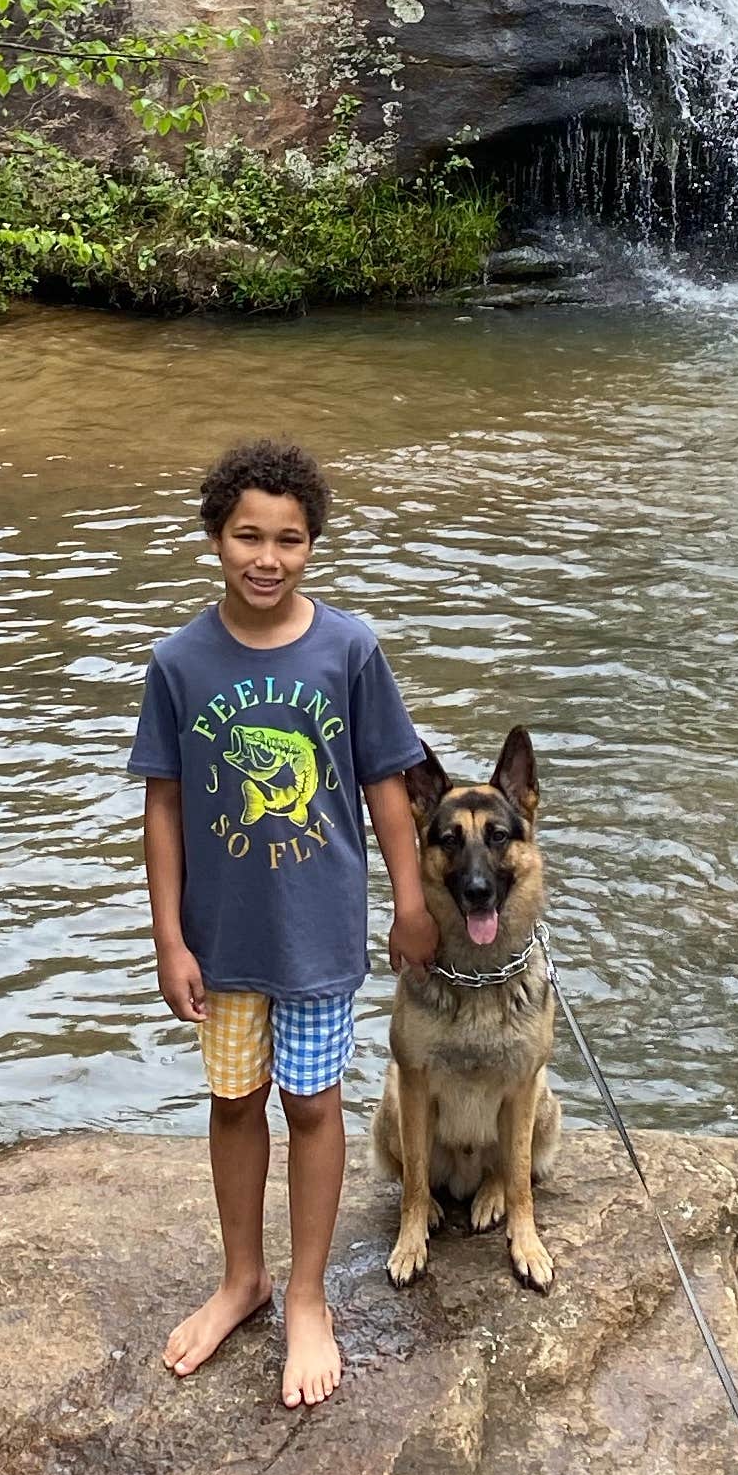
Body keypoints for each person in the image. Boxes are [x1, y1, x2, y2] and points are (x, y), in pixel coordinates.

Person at [132, 435, 435, 1409]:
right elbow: (165, 805)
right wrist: (170, 938)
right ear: (215, 538)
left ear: (313, 545)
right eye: (248, 537)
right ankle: (243, 1279)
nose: (267, 559)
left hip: (318, 933)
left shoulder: (348, 650)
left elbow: (387, 786)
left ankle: (307, 1294)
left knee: (311, 1103)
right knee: (234, 1100)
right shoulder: (179, 662)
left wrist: (411, 903)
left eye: (289, 540)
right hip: (223, 942)